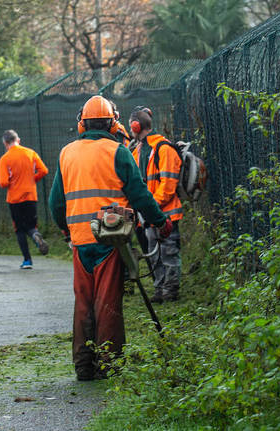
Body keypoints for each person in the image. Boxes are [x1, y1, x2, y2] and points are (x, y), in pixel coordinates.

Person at [49, 95, 172, 381]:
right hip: (110, 239)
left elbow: (56, 203)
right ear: (113, 123)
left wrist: (68, 231)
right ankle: (109, 363)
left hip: (80, 242)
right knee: (107, 301)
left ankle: (83, 365)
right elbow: (140, 194)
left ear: (82, 123)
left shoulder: (66, 152)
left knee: (83, 301)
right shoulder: (118, 152)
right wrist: (160, 221)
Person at [128, 106, 183, 303]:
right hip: (149, 216)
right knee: (154, 255)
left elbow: (168, 186)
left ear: (135, 126)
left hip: (166, 214)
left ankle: (171, 290)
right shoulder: (139, 151)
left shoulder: (164, 149)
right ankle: (160, 289)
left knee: (168, 253)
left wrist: (152, 207)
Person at [0, 129, 49, 269]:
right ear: (18, 140)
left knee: (20, 229)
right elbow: (44, 170)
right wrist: (32, 180)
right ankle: (36, 236)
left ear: (5, 143)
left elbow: (3, 183)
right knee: (31, 226)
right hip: (31, 195)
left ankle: (27, 261)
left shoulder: (5, 159)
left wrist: (12, 181)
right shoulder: (30, 153)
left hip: (14, 198)